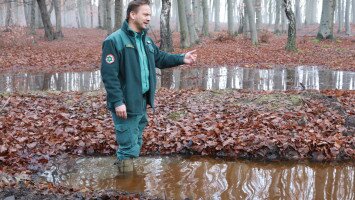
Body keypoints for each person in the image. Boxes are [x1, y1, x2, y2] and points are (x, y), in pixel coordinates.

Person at [101, 0, 197, 173]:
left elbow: (159, 58)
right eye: (145, 14)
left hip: (141, 101)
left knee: (136, 140)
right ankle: (125, 185)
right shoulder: (114, 41)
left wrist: (182, 58)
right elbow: (109, 76)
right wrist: (117, 102)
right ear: (132, 14)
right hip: (125, 104)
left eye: (149, 15)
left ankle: (127, 177)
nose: (148, 18)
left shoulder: (146, 40)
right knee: (128, 145)